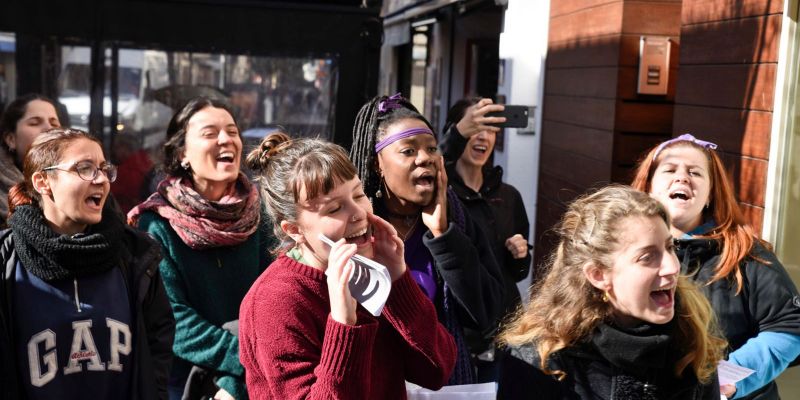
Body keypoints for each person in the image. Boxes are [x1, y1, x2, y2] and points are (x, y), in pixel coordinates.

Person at [238, 133, 456, 398]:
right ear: (294, 229)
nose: (358, 213)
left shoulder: (369, 270)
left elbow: (437, 371)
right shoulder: (276, 300)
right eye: (334, 209)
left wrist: (399, 281)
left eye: (359, 194)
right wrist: (343, 324)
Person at [498, 185, 726, 399]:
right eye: (647, 257)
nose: (672, 267)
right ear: (598, 275)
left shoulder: (691, 341)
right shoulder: (541, 359)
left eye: (669, 247)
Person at [0, 128, 174, 399]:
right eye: (85, 168)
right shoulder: (7, 262)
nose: (101, 179)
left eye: (104, 169)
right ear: (43, 182)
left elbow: (158, 348)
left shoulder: (136, 254)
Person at [350, 93, 504, 384]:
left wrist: (443, 236)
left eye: (432, 149)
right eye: (408, 151)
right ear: (376, 164)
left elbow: (490, 315)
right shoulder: (355, 226)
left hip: (442, 384)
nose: (425, 158)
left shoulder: (456, 218)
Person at [631, 134, 800, 400]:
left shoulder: (745, 252)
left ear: (711, 194)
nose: (683, 177)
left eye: (695, 173)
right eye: (670, 169)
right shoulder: (621, 250)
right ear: (648, 187)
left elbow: (789, 325)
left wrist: (723, 381)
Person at [128, 98, 275, 400]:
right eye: (210, 133)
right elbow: (173, 317)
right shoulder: (157, 224)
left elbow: (276, 303)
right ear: (182, 153)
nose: (226, 140)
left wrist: (238, 381)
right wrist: (244, 359)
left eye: (232, 132)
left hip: (256, 377)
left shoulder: (262, 216)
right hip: (185, 382)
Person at [439, 97, 531, 381]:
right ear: (459, 130)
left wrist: (520, 256)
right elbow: (428, 170)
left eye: (491, 129)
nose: (483, 136)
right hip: (456, 332)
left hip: (504, 332)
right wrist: (452, 138)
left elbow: (518, 273)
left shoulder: (509, 195)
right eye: (476, 127)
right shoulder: (441, 192)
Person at [0, 94, 62, 227]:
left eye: (54, 123)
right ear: (11, 139)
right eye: (35, 123)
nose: (49, 128)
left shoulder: (84, 181)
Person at [111, 133, 153, 213]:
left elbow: (111, 192)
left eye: (117, 147)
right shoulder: (146, 161)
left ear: (126, 147)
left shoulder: (124, 171)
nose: (114, 151)